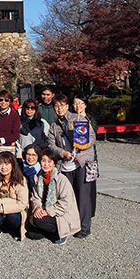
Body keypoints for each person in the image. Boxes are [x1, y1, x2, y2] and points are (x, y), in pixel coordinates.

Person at [47, 93, 96, 239]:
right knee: (67, 196)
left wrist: (81, 144)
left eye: (62, 105)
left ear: (67, 106)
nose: (59, 108)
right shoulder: (54, 126)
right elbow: (51, 144)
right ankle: (70, 224)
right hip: (64, 164)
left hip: (80, 162)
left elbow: (92, 138)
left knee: (83, 195)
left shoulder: (79, 119)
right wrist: (62, 152)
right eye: (56, 106)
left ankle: (85, 226)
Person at [28, 147, 81, 244]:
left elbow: (65, 203)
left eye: (49, 161)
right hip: (44, 210)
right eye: (43, 161)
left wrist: (47, 211)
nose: (46, 164)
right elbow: (35, 197)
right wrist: (37, 208)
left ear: (54, 163)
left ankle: (61, 233)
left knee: (38, 221)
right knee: (32, 234)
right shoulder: (38, 177)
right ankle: (48, 231)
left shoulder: (61, 179)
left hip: (60, 214)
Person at [0, 152, 28, 240]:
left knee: (13, 218)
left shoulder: (21, 180)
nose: (3, 167)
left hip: (13, 212)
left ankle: (12, 229)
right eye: (0, 163)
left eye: (7, 164)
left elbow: (22, 204)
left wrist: (2, 208)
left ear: (13, 165)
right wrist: (12, 201)